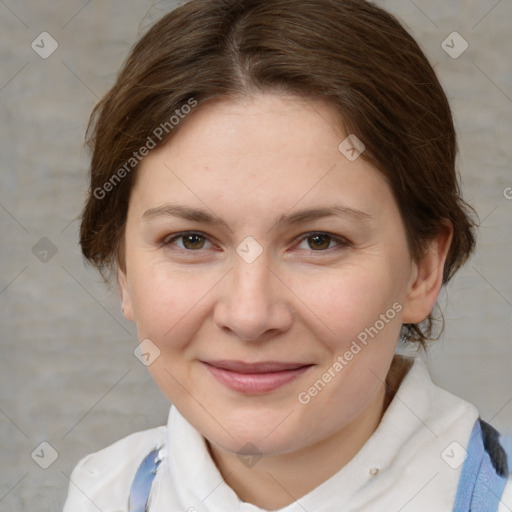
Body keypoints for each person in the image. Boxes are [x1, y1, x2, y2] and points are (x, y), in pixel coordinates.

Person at [63, 0, 512, 510]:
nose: (250, 316)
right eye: (191, 239)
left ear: (422, 270)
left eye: (319, 240)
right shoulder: (102, 490)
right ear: (123, 269)